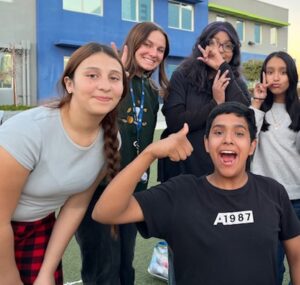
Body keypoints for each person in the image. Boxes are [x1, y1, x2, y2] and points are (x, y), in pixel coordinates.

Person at [92, 102, 300, 285]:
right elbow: (105, 212)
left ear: (252, 146)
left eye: (239, 133)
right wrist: (150, 153)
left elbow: (296, 258)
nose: (228, 139)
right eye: (218, 132)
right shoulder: (181, 193)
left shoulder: (273, 192)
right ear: (206, 144)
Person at [0, 42, 127, 285]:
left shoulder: (111, 139)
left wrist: (47, 272)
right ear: (70, 84)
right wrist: (8, 278)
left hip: (39, 228)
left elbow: (76, 206)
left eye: (114, 78)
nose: (104, 85)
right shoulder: (29, 131)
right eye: (92, 75)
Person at [75, 21, 169, 285]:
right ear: (133, 42)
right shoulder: (111, 84)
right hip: (98, 188)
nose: (153, 53)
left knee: (125, 266)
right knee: (103, 270)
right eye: (147, 44)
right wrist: (114, 76)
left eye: (160, 49)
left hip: (132, 190)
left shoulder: (150, 90)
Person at [158, 21, 250, 183]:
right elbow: (175, 122)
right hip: (183, 168)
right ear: (203, 45)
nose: (220, 50)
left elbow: (245, 116)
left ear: (234, 52)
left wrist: (222, 67)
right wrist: (215, 104)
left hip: (220, 170)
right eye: (213, 43)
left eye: (228, 46)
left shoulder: (236, 82)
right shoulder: (183, 75)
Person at [250, 51, 300, 285]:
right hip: (265, 199)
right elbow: (248, 140)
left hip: (297, 200)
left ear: (292, 76)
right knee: (271, 266)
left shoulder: (298, 110)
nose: (276, 77)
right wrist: (257, 103)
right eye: (270, 72)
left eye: (282, 72)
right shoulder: (256, 110)